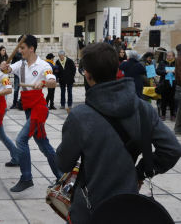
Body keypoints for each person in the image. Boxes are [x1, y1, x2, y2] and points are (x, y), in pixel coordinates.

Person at [56, 42, 181, 224]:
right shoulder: (143, 108)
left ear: (88, 75)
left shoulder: (79, 116)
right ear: (117, 69)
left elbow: (63, 162)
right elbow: (172, 149)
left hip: (90, 206)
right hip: (128, 204)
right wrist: (140, 172)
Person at [0, 35, 63, 192]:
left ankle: (26, 178)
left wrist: (42, 82)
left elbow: (53, 81)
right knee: (44, 145)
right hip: (28, 108)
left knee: (21, 140)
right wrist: (3, 66)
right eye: (19, 48)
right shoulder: (20, 65)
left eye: (22, 48)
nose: (20, 50)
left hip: (39, 109)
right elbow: (7, 69)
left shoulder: (43, 65)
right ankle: (61, 177)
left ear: (31, 49)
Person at [157, 51, 177, 121]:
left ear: (173, 57)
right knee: (164, 100)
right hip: (164, 84)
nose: (168, 57)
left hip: (173, 84)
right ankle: (163, 115)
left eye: (170, 56)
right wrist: (164, 71)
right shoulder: (162, 63)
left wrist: (175, 72)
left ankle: (172, 115)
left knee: (172, 100)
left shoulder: (176, 63)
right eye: (167, 56)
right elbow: (158, 71)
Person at [175, 44, 181, 134]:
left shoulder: (178, 58)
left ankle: (178, 127)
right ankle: (178, 127)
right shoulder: (179, 58)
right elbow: (180, 73)